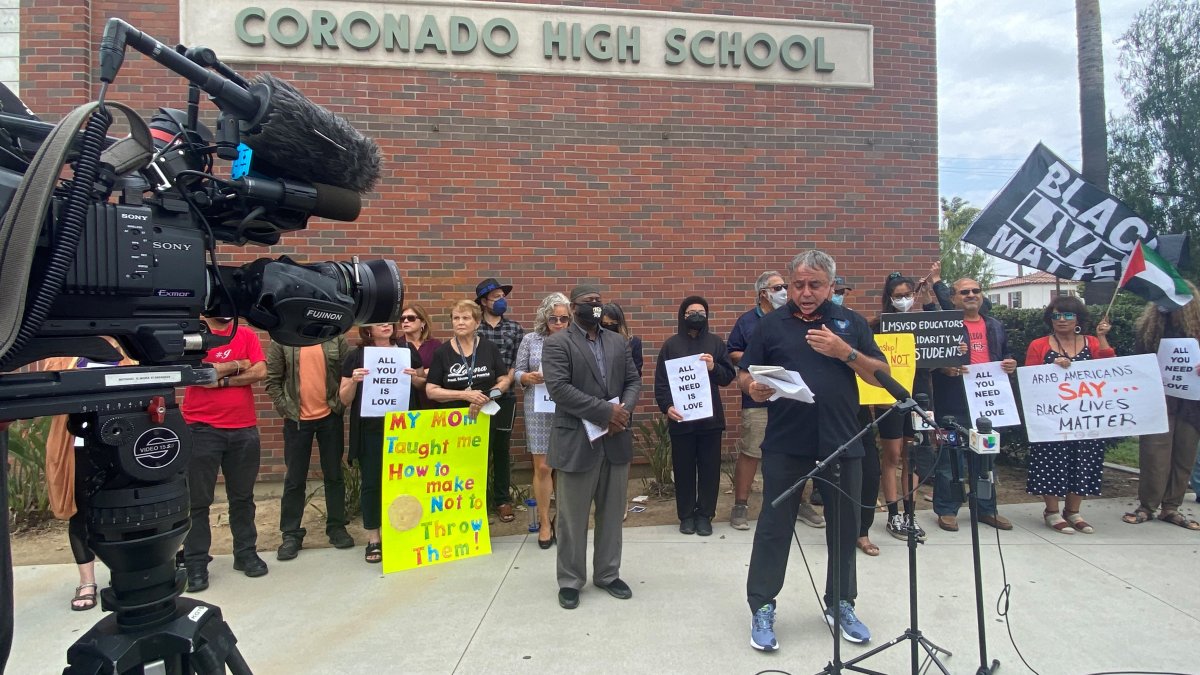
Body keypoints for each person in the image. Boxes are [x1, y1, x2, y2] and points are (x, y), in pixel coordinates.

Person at [741, 250, 890, 651]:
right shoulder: (771, 325)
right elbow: (745, 373)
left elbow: (882, 375)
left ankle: (841, 602)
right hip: (787, 444)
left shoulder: (850, 324)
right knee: (774, 528)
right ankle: (762, 606)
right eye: (798, 285)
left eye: (815, 285)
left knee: (844, 528)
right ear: (788, 285)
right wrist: (752, 387)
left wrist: (845, 352)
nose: (805, 293)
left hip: (842, 440)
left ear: (831, 286)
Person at [542, 284, 641, 610]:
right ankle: (570, 580)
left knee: (612, 514)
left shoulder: (617, 341)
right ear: (573, 308)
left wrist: (621, 413)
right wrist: (605, 412)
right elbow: (559, 389)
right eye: (588, 303)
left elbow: (633, 380)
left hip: (615, 439)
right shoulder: (557, 343)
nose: (595, 307)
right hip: (577, 441)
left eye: (598, 302)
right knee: (572, 517)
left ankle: (608, 574)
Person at [728, 271, 825, 530]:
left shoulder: (796, 319)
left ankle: (800, 502)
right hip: (759, 398)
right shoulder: (747, 321)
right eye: (779, 287)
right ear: (763, 293)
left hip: (792, 399)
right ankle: (741, 504)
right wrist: (758, 357)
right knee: (752, 450)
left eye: (785, 286)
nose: (785, 291)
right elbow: (733, 353)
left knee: (798, 452)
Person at [181, 315, 268, 592]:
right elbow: (197, 375)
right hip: (201, 429)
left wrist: (221, 378)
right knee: (198, 502)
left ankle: (245, 553)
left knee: (242, 497)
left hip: (243, 428)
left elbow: (260, 371)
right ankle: (195, 563)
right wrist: (237, 364)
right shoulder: (193, 336)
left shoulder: (246, 335)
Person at [929, 278, 1016, 533]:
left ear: (982, 296)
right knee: (950, 457)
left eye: (975, 291)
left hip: (987, 403)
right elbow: (931, 362)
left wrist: (1011, 363)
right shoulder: (945, 327)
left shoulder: (996, 326)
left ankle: (986, 509)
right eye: (964, 292)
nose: (971, 295)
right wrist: (946, 367)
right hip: (952, 404)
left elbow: (1007, 353)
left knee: (986, 459)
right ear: (953, 298)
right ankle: (947, 510)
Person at [1024, 297, 1114, 534]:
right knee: (1051, 461)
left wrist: (1103, 336)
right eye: (1056, 316)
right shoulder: (1039, 345)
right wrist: (1052, 368)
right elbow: (1029, 378)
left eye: (1067, 315)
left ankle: (1073, 511)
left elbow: (1110, 369)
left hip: (1086, 416)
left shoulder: (1092, 342)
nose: (1061, 320)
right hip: (1053, 417)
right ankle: (1052, 511)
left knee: (1084, 460)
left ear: (1077, 319)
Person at [265, 332, 354, 560]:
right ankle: (291, 534)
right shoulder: (283, 339)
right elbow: (273, 380)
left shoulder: (335, 338)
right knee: (295, 479)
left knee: (334, 474)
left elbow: (347, 374)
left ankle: (336, 527)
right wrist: (285, 408)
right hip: (296, 420)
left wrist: (338, 406)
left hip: (330, 417)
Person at [340, 323, 422, 564]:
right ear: (368, 329)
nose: (385, 325)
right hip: (371, 430)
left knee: (406, 481)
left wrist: (415, 377)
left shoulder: (406, 351)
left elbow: (423, 384)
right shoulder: (356, 356)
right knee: (372, 483)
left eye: (388, 320)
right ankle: (374, 538)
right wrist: (354, 381)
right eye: (378, 321)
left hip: (403, 429)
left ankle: (403, 532)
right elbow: (344, 399)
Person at [654, 296, 736, 536]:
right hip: (681, 421)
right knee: (684, 469)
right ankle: (686, 515)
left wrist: (713, 368)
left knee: (710, 470)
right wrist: (667, 406)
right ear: (682, 315)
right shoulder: (670, 346)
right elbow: (661, 383)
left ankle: (705, 515)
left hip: (710, 422)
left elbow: (727, 377)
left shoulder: (716, 343)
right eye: (691, 312)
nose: (697, 315)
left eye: (702, 311)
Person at [1126, 288, 1200, 530]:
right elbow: (1138, 364)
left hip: (1192, 404)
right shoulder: (1150, 331)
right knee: (1154, 455)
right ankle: (1147, 506)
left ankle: (1171, 507)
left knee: (1184, 455)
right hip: (1158, 402)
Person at [874, 272, 935, 546]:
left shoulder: (925, 325)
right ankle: (893, 513)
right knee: (893, 455)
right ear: (889, 298)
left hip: (920, 396)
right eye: (897, 296)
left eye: (907, 295)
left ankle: (911, 513)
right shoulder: (878, 326)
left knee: (912, 454)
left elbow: (941, 351)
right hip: (889, 398)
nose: (903, 300)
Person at [514, 292, 572, 548]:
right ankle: (545, 522)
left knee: (566, 466)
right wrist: (526, 378)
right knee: (544, 467)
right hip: (538, 407)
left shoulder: (576, 340)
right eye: (553, 318)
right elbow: (516, 372)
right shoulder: (530, 340)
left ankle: (564, 519)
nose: (559, 323)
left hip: (568, 407)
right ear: (544, 317)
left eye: (564, 319)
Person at [474, 278, 525, 523]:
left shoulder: (515, 329)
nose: (500, 300)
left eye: (502, 295)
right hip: (476, 399)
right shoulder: (474, 329)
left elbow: (518, 364)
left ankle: (502, 500)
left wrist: (503, 384)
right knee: (478, 450)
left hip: (505, 398)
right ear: (483, 302)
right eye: (495, 296)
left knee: (501, 449)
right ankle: (478, 500)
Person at [394, 303, 442, 409]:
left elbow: (442, 369)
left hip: (428, 400)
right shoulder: (395, 345)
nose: (405, 321)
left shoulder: (434, 345)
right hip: (402, 400)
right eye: (402, 319)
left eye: (411, 318)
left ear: (423, 322)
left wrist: (420, 373)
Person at [601, 303, 644, 376]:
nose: (609, 326)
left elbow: (636, 373)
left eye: (613, 323)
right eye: (605, 324)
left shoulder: (633, 343)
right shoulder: (596, 343)